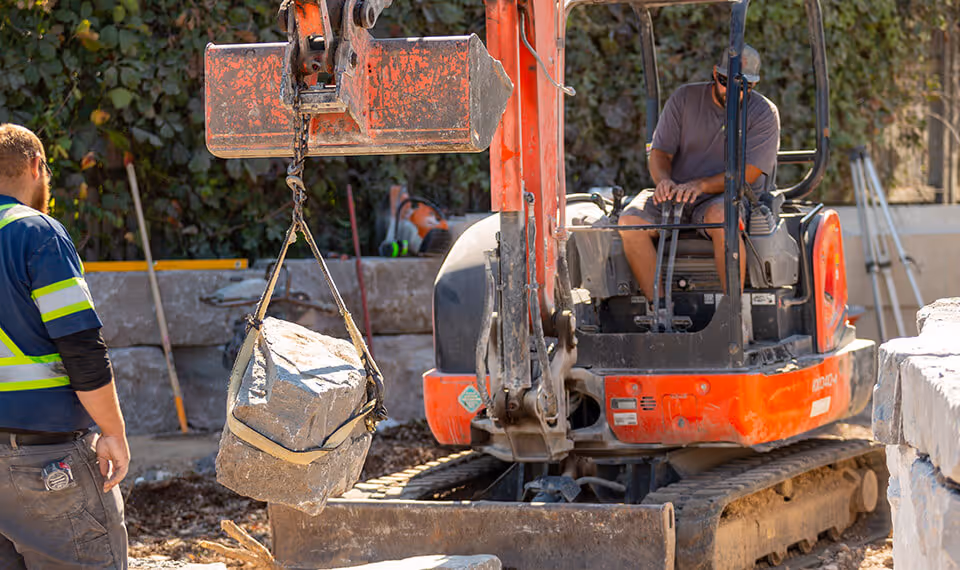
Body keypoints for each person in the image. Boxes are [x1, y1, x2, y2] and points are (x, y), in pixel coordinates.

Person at [0, 124, 129, 569]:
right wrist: (113, 432)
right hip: (44, 461)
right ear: (37, 166)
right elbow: (81, 348)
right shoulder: (36, 234)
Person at [618, 45, 780, 311]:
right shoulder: (684, 99)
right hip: (677, 193)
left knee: (722, 216)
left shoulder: (763, 113)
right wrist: (663, 182)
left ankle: (732, 317)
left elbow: (747, 175)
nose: (734, 91)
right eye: (727, 82)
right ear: (715, 74)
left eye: (744, 86)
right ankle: (658, 310)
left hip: (726, 195)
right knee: (629, 221)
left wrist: (702, 185)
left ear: (753, 86)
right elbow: (659, 153)